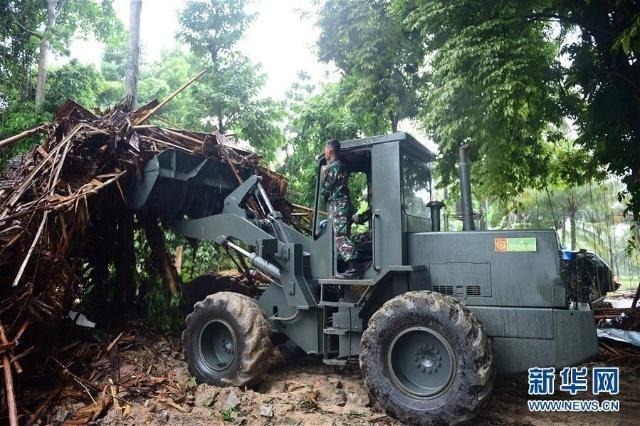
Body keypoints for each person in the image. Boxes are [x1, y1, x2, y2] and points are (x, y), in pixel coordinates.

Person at [321, 139, 358, 279]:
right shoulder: (343, 166)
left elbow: (325, 190)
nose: (325, 152)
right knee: (345, 235)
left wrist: (324, 171)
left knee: (339, 238)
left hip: (337, 207)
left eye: (325, 150)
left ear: (329, 151)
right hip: (344, 206)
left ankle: (353, 269)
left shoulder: (331, 168)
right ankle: (349, 267)